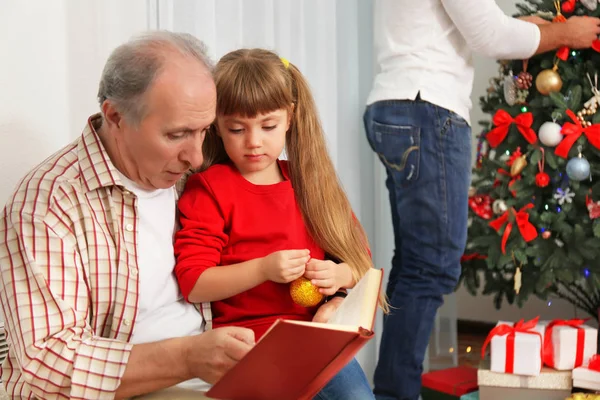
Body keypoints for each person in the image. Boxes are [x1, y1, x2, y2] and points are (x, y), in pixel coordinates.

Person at [0, 32, 342, 400]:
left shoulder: (200, 175)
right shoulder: (49, 205)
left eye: (204, 130)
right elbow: (45, 364)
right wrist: (186, 359)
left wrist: (334, 297)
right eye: (177, 134)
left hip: (225, 370)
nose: (196, 157)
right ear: (115, 116)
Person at [363, 1, 600, 399]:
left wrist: (529, 26)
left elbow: (471, 23)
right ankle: (395, 393)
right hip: (426, 109)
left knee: (415, 264)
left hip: (397, 104)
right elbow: (488, 34)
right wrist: (566, 33)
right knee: (432, 267)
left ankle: (392, 388)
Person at [173, 48, 380, 399]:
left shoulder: (309, 184)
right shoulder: (209, 188)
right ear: (216, 128)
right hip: (248, 345)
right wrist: (263, 269)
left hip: (317, 338)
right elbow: (195, 282)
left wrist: (339, 278)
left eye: (268, 126)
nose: (254, 142)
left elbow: (359, 261)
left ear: (290, 118)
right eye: (236, 128)